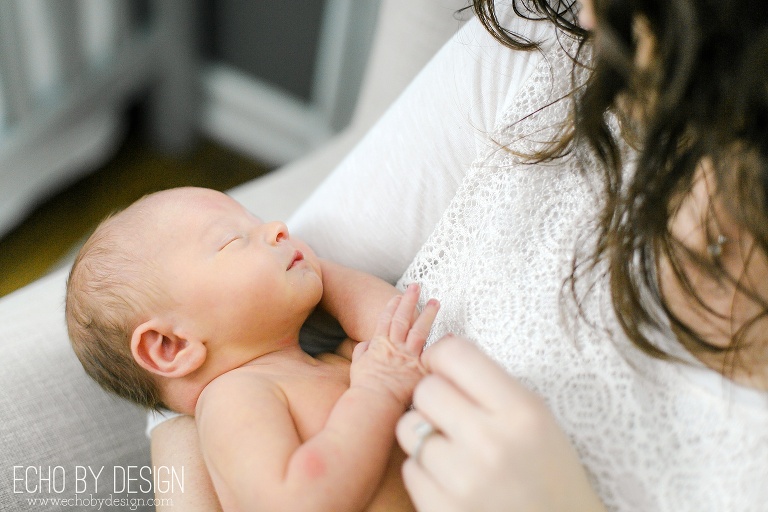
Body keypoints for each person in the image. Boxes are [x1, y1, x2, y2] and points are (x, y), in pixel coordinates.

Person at [152, 1, 768, 510]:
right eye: (239, 238)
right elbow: (178, 399)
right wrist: (374, 381)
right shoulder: (544, 49)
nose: (582, 13)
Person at [65, 186, 441, 511]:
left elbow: (395, 327)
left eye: (258, 221)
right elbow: (296, 500)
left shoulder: (328, 365)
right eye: (232, 239)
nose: (279, 228)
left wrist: (317, 271)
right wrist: (378, 393)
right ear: (170, 345)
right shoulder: (232, 400)